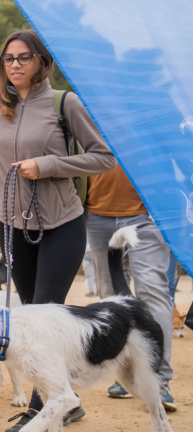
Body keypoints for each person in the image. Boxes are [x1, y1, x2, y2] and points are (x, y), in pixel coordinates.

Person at [0, 28, 116, 431]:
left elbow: (103, 157)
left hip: (62, 224)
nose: (15, 65)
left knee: (40, 317)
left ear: (41, 61)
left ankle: (44, 407)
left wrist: (50, 165)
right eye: (8, 59)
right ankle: (67, 401)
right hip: (14, 228)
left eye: (23, 57)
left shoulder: (63, 104)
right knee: (30, 315)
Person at [84, 165, 177, 410]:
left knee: (153, 293)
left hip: (148, 213)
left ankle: (158, 378)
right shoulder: (88, 123)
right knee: (110, 297)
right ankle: (125, 376)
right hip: (97, 212)